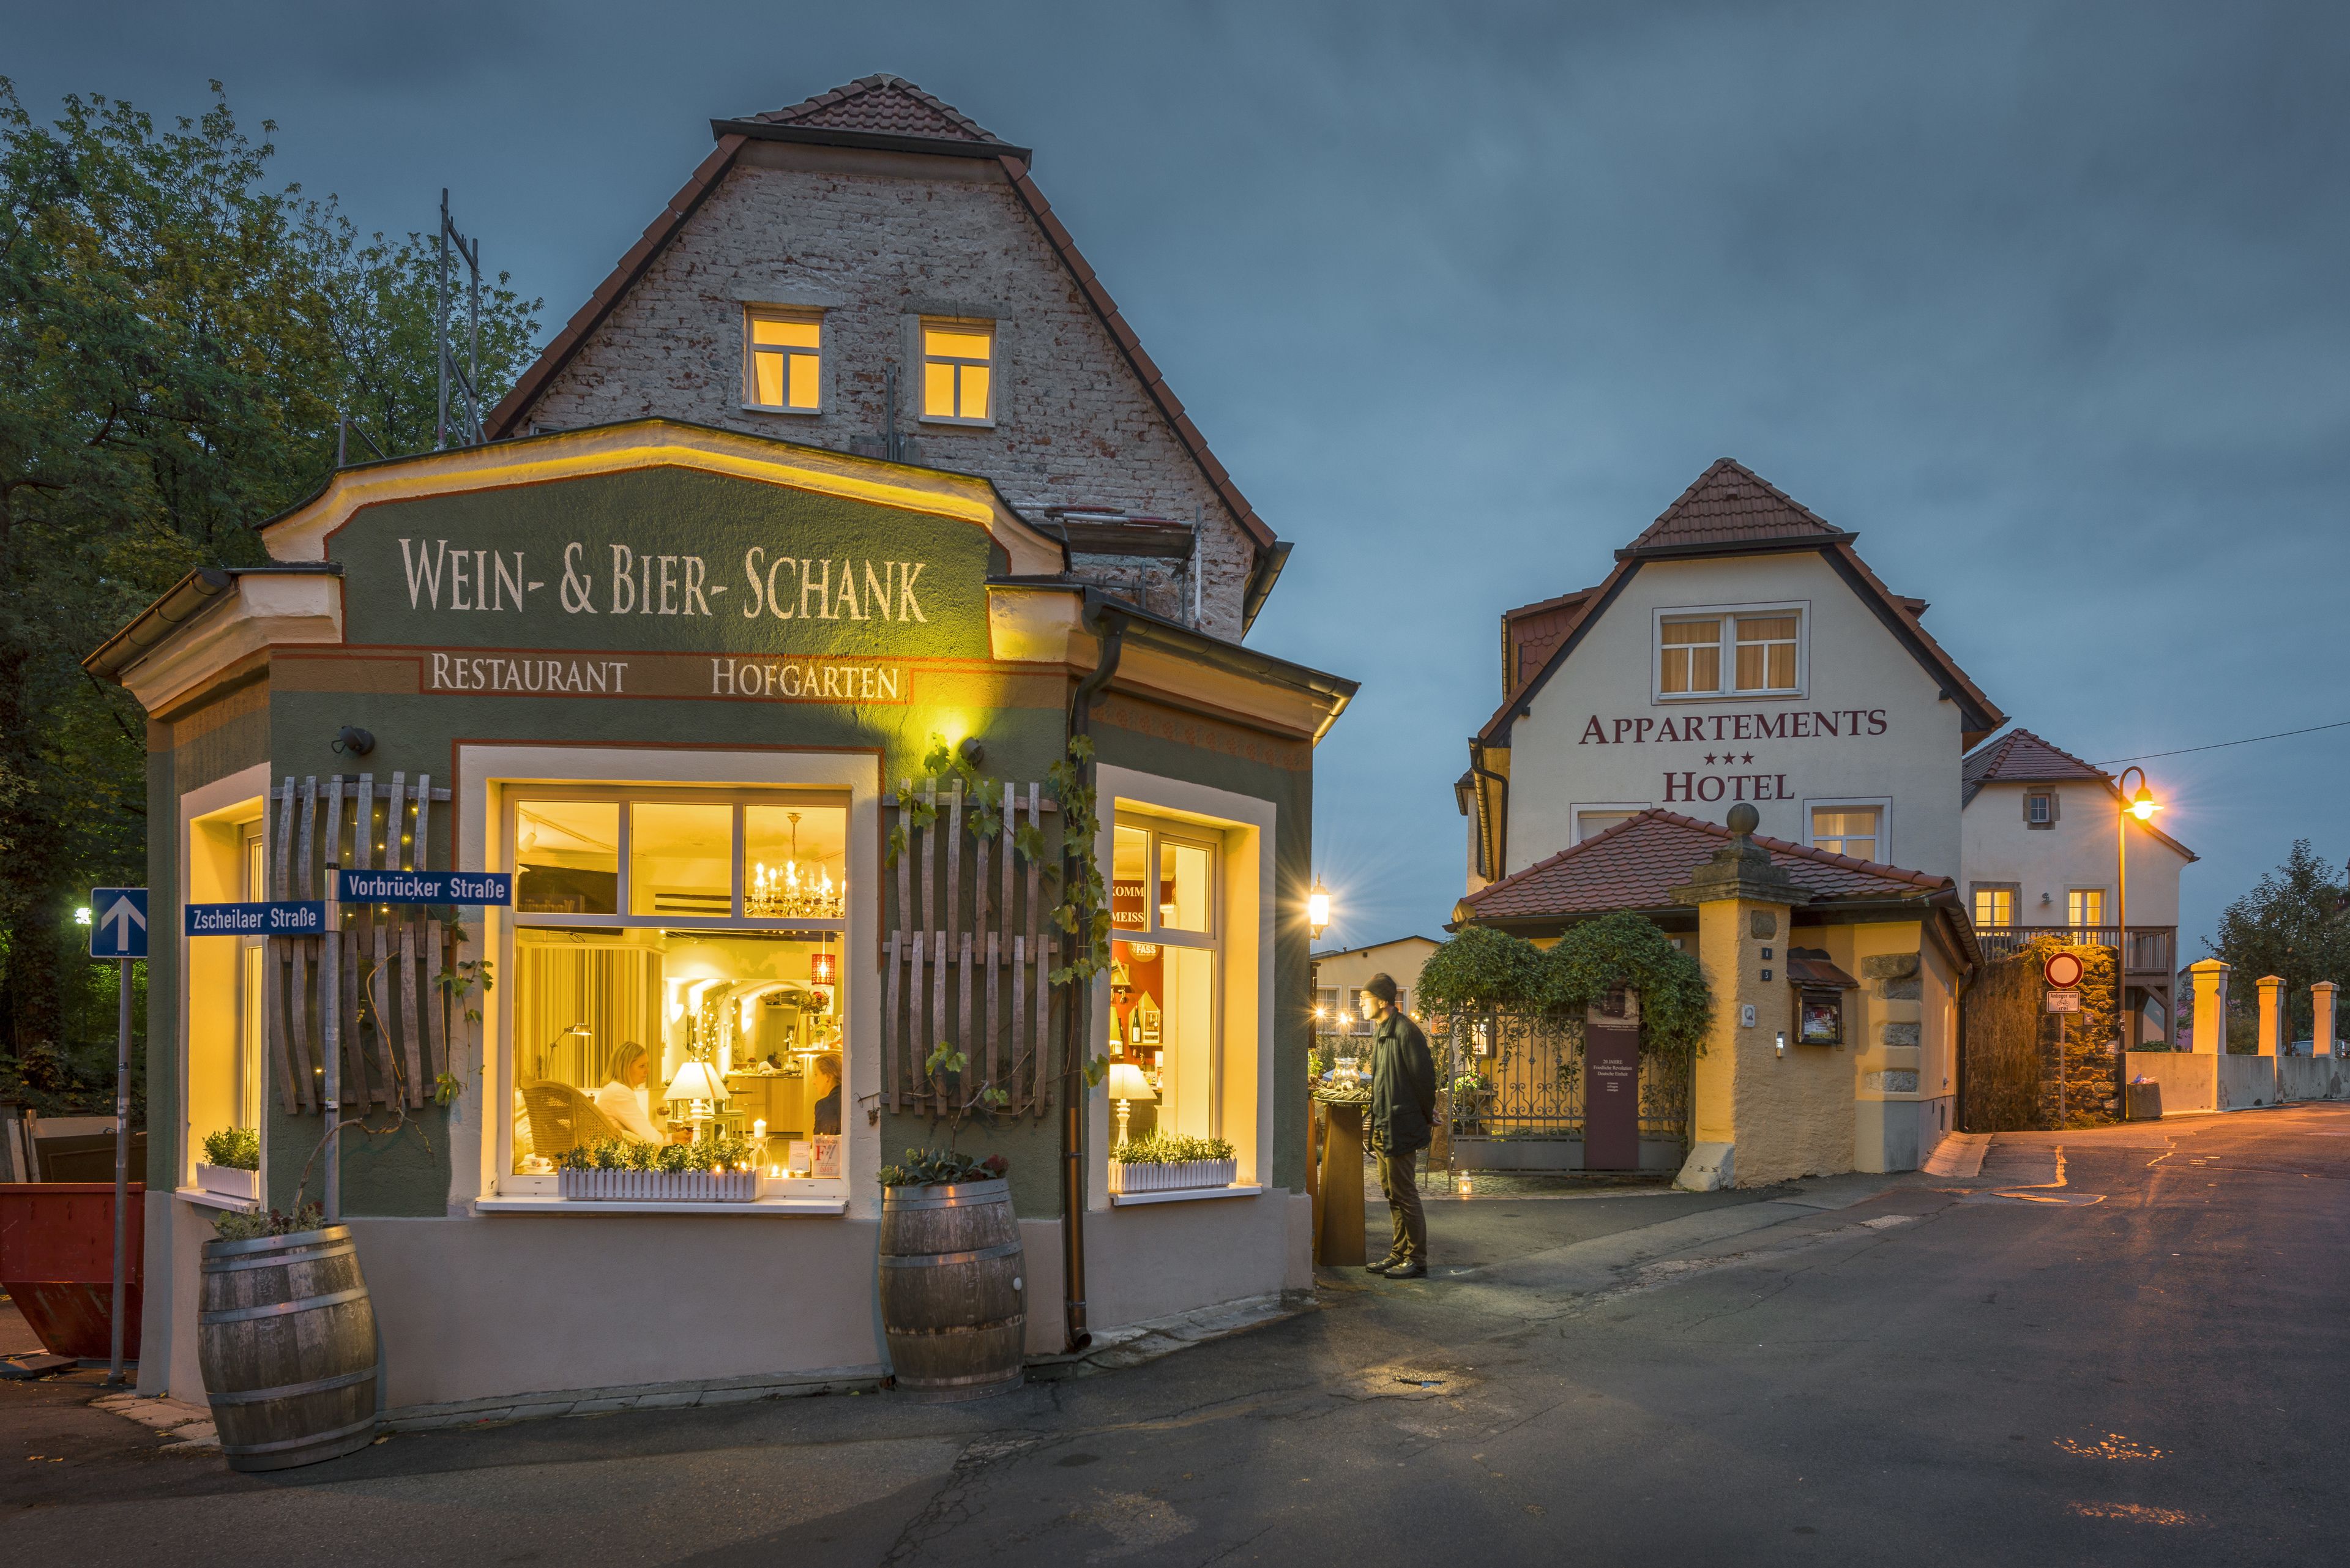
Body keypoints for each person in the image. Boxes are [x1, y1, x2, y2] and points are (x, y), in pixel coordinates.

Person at [1363, 973, 1436, 1278]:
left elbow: (1424, 1079)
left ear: (1382, 1001)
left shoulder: (1406, 1031)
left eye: (1364, 999)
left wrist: (1427, 1114)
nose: (1360, 1005)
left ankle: (1417, 1259)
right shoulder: (1382, 1032)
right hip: (1384, 1124)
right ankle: (1398, 1253)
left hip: (1401, 1126)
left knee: (1405, 1194)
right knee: (1392, 1193)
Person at [594, 1041, 665, 1144]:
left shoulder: (614, 1089)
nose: (647, 1071)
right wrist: (663, 1136)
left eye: (647, 1065)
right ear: (625, 1068)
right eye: (642, 1066)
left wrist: (672, 1138)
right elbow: (652, 1140)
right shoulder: (619, 1092)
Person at [810, 1050, 843, 1137]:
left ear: (828, 1077)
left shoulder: (825, 1105)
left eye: (816, 1075)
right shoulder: (851, 1098)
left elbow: (822, 1142)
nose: (814, 1082)